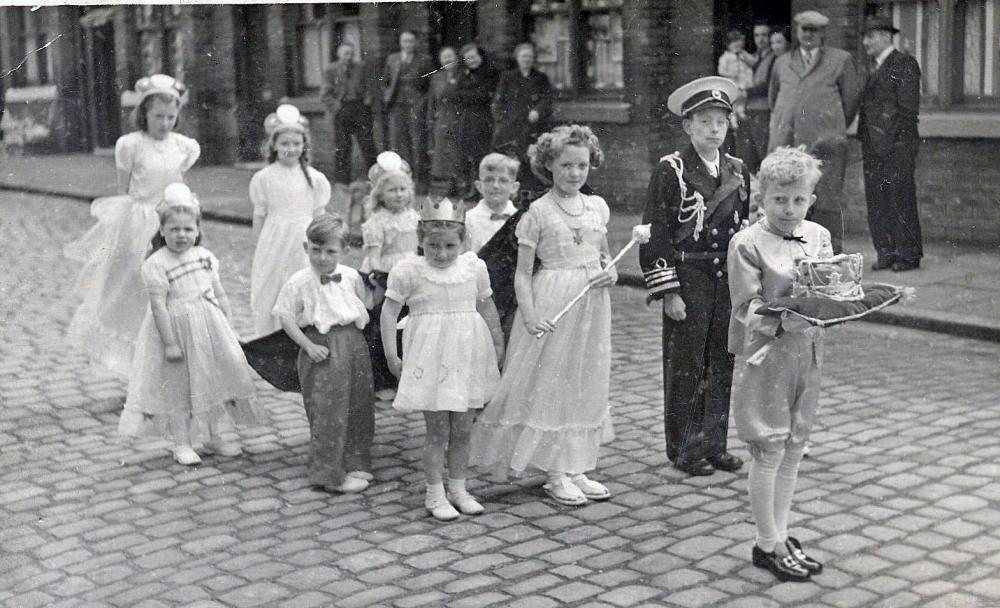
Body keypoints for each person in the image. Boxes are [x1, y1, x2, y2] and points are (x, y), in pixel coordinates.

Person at [470, 125, 616, 507]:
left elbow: (603, 256)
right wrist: (531, 316)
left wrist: (610, 272)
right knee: (553, 379)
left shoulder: (597, 207)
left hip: (592, 304)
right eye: (566, 165)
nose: (574, 173)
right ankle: (554, 472)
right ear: (548, 165)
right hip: (552, 300)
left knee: (584, 378)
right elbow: (522, 272)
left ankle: (574, 464)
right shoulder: (537, 212)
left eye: (581, 165)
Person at [727, 146, 833, 583]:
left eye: (799, 199)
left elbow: (828, 285)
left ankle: (782, 534)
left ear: (811, 198)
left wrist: (835, 300)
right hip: (768, 354)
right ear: (761, 198)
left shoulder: (819, 234)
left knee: (793, 448)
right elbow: (745, 307)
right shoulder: (747, 243)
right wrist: (784, 315)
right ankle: (766, 542)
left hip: (806, 352)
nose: (789, 209)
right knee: (769, 448)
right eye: (778, 199)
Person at [639, 76, 750, 477]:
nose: (714, 129)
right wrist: (669, 292)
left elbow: (744, 230)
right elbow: (656, 234)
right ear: (687, 126)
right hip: (690, 275)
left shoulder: (738, 169)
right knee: (688, 365)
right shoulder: (673, 170)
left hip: (726, 278)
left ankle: (715, 443)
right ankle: (685, 448)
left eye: (721, 121)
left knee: (722, 361)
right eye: (704, 121)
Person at [65, 74, 200, 380]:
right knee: (136, 292)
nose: (164, 123)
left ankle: (172, 364)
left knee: (176, 290)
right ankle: (135, 369)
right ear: (144, 115)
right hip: (139, 223)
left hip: (172, 222)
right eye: (157, 117)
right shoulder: (131, 145)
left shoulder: (184, 146)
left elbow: (177, 181)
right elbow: (125, 189)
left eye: (170, 117)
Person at [118, 184, 263, 466]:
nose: (181, 235)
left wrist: (229, 326)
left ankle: (212, 436)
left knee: (210, 380)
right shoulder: (156, 264)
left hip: (208, 328)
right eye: (174, 230)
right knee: (179, 386)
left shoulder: (205, 258)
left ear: (197, 230)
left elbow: (219, 293)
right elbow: (158, 306)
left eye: (187, 229)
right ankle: (182, 442)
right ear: (162, 231)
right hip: (175, 331)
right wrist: (170, 343)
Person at [381, 197, 504, 521]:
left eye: (450, 245)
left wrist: (497, 342)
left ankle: (459, 488)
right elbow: (389, 310)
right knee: (438, 431)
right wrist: (392, 354)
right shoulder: (409, 271)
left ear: (463, 241)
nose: (442, 253)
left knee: (463, 429)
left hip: (467, 354)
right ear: (421, 240)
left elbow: (487, 306)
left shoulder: (473, 267)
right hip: (431, 358)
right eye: (433, 245)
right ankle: (435, 493)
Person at [273, 214, 375, 494]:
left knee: (359, 402)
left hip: (353, 344)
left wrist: (372, 290)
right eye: (315, 250)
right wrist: (307, 345)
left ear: (344, 251)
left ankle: (358, 463)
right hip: (322, 347)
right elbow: (285, 317)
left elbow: (361, 304)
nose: (322, 258)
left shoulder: (351, 276)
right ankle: (327, 471)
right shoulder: (299, 281)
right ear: (306, 248)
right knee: (327, 408)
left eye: (330, 251)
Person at [769, 10, 862, 254]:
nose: (809, 35)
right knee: (787, 201)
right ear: (797, 32)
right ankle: (789, 257)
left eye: (815, 30)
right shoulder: (781, 63)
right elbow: (774, 100)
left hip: (826, 147)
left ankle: (829, 261)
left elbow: (850, 102)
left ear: (823, 34)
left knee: (826, 204)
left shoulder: (840, 60)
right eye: (804, 29)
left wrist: (830, 129)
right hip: (788, 147)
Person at [249, 104, 331, 338]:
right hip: (274, 239)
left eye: (296, 144)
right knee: (272, 285)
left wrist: (322, 242)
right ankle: (272, 335)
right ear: (274, 145)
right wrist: (259, 247)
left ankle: (305, 334)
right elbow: (259, 215)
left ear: (304, 145)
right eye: (285, 144)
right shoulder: (264, 178)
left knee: (303, 282)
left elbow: (319, 215)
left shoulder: (314, 179)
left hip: (304, 239)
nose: (291, 148)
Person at [859, 16, 922, 272]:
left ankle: (907, 254)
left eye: (870, 36)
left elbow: (907, 109)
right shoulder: (873, 67)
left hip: (897, 145)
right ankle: (885, 251)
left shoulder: (904, 64)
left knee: (900, 197)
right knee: (877, 199)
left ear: (885, 36)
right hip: (873, 146)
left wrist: (888, 139)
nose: (865, 42)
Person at [361, 165, 420, 400]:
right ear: (380, 194)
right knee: (384, 322)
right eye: (392, 190)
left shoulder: (414, 217)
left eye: (403, 189)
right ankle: (383, 377)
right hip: (388, 273)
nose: (399, 194)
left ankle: (411, 375)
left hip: (412, 272)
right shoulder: (377, 222)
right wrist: (378, 275)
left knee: (410, 323)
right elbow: (375, 255)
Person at [491, 43, 553, 205]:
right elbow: (498, 102)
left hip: (533, 127)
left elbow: (547, 99)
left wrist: (538, 111)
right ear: (517, 58)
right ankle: (511, 197)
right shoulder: (508, 77)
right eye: (523, 56)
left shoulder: (540, 78)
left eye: (530, 57)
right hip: (512, 128)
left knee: (531, 162)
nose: (527, 60)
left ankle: (529, 197)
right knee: (512, 162)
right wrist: (503, 121)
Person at [320, 42, 377, 188]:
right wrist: (337, 107)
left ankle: (376, 178)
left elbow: (370, 87)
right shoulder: (331, 70)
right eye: (346, 53)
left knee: (367, 145)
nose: (349, 57)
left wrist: (367, 100)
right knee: (342, 146)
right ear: (339, 54)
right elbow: (325, 94)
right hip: (342, 109)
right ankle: (342, 182)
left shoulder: (361, 68)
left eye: (352, 54)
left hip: (360, 108)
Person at [382, 31, 433, 184]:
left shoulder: (425, 59)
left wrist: (422, 102)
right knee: (398, 142)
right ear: (400, 42)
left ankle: (420, 179)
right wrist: (388, 96)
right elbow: (385, 81)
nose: (407, 44)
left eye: (411, 41)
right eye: (404, 41)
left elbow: (430, 85)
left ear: (416, 43)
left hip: (416, 106)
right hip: (397, 106)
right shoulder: (392, 59)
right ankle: (402, 177)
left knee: (417, 142)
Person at [455, 43, 500, 200]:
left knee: (481, 154)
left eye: (474, 57)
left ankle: (482, 189)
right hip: (466, 119)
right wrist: (470, 95)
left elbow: (483, 95)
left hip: (482, 118)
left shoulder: (490, 73)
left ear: (480, 56)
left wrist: (467, 95)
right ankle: (470, 187)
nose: (471, 61)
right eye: (467, 58)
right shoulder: (464, 74)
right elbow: (456, 95)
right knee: (466, 154)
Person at [427, 46, 464, 197]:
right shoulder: (437, 77)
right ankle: (450, 184)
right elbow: (432, 100)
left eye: (450, 56)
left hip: (459, 117)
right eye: (444, 57)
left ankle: (460, 183)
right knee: (444, 153)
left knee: (457, 150)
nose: (447, 60)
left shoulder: (463, 75)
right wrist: (431, 117)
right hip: (442, 117)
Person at [466, 153, 521, 254]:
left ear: (514, 187)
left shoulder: (521, 220)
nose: (495, 186)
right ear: (479, 186)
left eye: (503, 181)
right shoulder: (469, 219)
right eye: (489, 180)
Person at [741, 23, 776, 172]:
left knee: (763, 151)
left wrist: (745, 92)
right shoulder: (755, 57)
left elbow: (768, 84)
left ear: (770, 37)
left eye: (764, 35)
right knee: (749, 154)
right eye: (757, 35)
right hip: (750, 109)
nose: (760, 39)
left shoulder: (774, 57)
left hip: (763, 110)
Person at [717, 30, 755, 121]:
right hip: (733, 80)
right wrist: (731, 74)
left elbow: (752, 61)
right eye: (735, 46)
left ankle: (741, 111)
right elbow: (721, 70)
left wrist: (744, 55)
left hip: (743, 80)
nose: (737, 49)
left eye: (739, 46)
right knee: (734, 98)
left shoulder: (743, 54)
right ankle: (733, 116)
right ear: (728, 45)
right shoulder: (726, 57)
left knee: (743, 96)